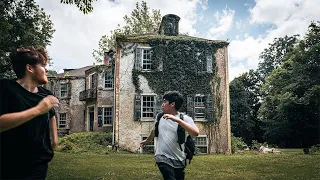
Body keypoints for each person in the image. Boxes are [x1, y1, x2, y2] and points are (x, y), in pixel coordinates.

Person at [0, 46, 59, 179]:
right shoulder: (6, 88)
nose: (47, 69)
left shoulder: (46, 96)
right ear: (30, 68)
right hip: (9, 167)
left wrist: (49, 149)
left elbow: (54, 138)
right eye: (43, 65)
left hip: (38, 168)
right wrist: (38, 110)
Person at [140, 91, 199, 180]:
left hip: (179, 159)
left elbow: (195, 133)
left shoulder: (185, 119)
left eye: (165, 101)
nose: (162, 104)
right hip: (162, 157)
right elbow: (154, 131)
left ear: (172, 104)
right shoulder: (159, 117)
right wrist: (147, 141)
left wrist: (178, 120)